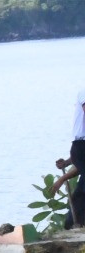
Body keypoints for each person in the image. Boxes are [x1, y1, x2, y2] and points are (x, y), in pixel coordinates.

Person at [46, 89, 85, 227]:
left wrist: (68, 163)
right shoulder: (83, 92)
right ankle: (72, 224)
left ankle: (71, 224)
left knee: (81, 191)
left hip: (80, 148)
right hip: (81, 146)